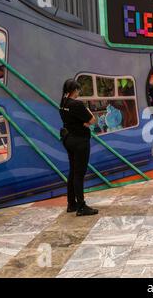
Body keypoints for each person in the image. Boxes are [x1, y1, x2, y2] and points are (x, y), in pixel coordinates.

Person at [59, 79, 99, 216]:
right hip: (80, 141)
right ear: (74, 90)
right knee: (79, 174)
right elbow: (93, 120)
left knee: (72, 171)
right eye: (78, 90)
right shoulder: (77, 104)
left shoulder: (63, 104)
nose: (78, 92)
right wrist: (87, 121)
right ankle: (82, 206)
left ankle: (71, 204)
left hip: (68, 139)